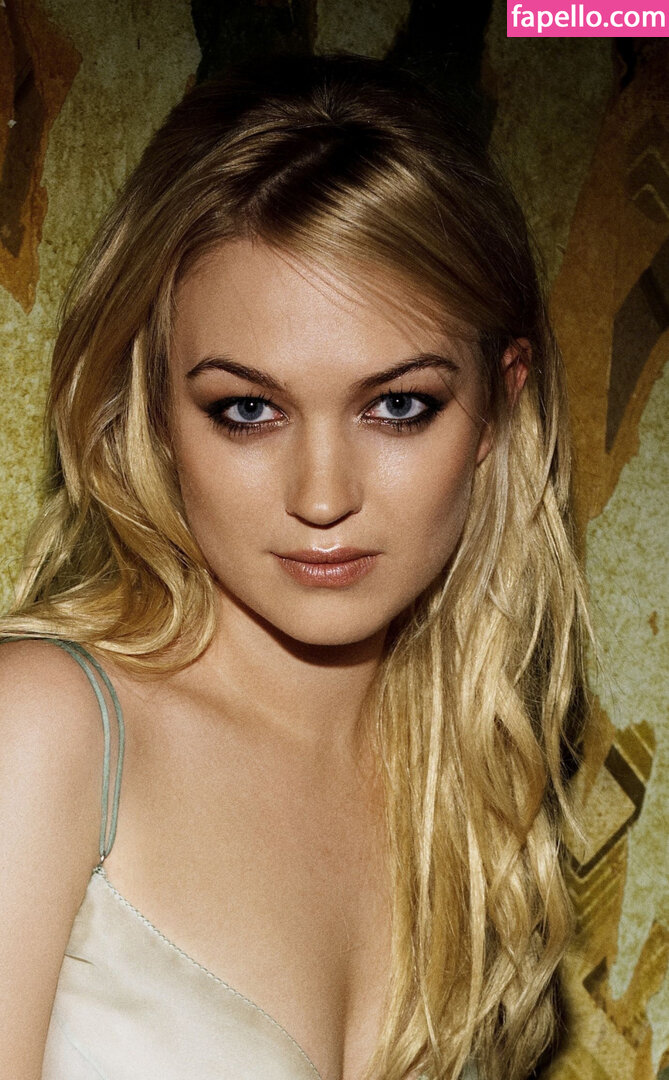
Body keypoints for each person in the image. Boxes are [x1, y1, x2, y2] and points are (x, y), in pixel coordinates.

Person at [0, 53, 591, 1080]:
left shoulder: (475, 805)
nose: (322, 496)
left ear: (499, 406)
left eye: (398, 406)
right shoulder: (45, 732)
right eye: (248, 409)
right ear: (155, 410)